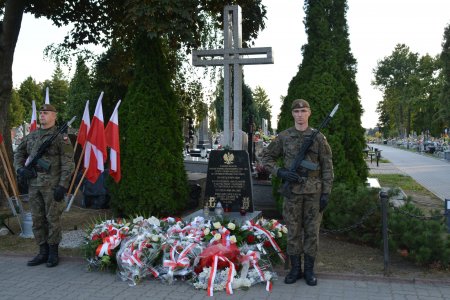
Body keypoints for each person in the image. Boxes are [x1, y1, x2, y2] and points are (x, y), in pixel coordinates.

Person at [261, 99, 333, 286]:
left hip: (313, 194)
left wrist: (326, 193)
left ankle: (309, 271)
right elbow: (266, 158)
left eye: (303, 110)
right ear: (292, 114)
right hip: (292, 193)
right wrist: (281, 172)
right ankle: (295, 270)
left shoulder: (318, 138)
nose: (300, 114)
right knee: (293, 232)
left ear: (309, 113)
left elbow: (327, 167)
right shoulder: (284, 137)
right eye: (297, 111)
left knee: (312, 233)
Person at [14, 104, 75, 267]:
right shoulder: (31, 136)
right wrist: (20, 169)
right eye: (41, 113)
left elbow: (68, 163)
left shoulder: (60, 138)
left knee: (52, 219)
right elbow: (19, 153)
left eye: (46, 113)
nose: (42, 116)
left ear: (54, 116)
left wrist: (63, 185)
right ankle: (42, 252)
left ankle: (53, 253)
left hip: (52, 186)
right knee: (37, 219)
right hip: (34, 185)